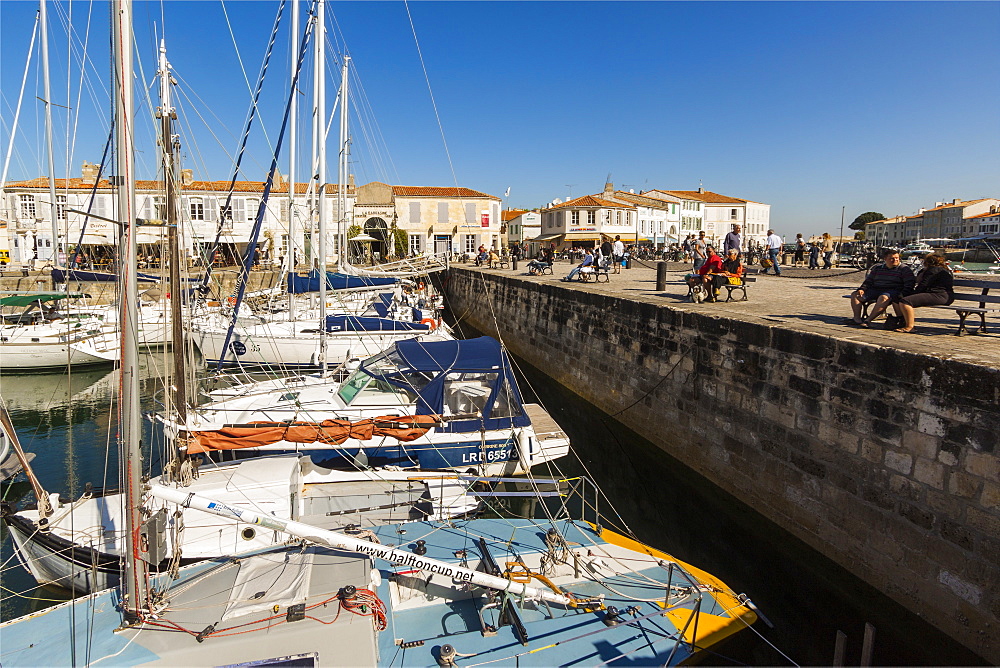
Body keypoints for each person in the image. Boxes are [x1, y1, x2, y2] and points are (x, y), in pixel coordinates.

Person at [847, 249, 915, 327]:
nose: (895, 260)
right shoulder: (878, 268)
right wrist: (862, 289)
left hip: (892, 290)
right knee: (855, 295)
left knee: (883, 297)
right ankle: (857, 319)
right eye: (892, 258)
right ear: (885, 259)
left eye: (897, 258)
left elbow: (909, 284)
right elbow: (868, 281)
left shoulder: (904, 269)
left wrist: (902, 294)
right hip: (875, 289)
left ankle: (868, 320)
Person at [889, 254, 954, 333]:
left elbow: (923, 285)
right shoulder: (939, 269)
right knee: (896, 299)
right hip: (939, 295)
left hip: (939, 295)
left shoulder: (933, 270)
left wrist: (912, 294)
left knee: (905, 301)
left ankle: (910, 326)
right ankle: (902, 320)